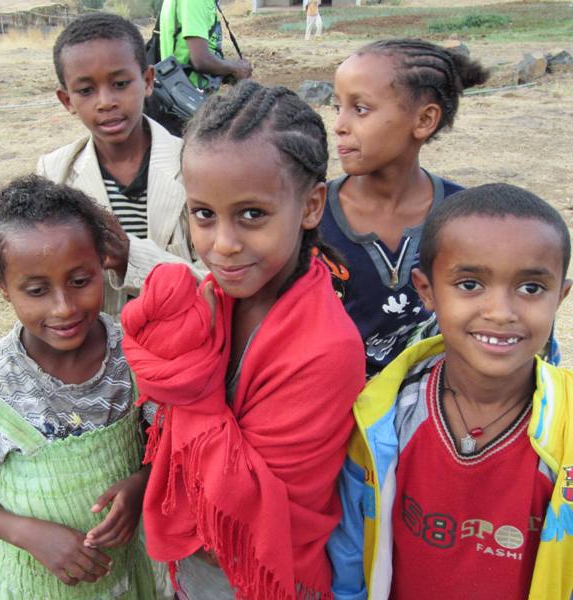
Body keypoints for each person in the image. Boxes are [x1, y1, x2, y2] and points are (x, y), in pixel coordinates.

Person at [121, 81, 366, 599]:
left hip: (261, 573)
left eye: (252, 214)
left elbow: (243, 510)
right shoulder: (211, 300)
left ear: (311, 206)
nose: (223, 245)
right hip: (194, 566)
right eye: (203, 214)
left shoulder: (324, 350)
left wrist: (189, 389)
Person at [328, 183, 573, 600]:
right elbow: (350, 553)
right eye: (470, 284)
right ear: (426, 291)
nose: (500, 312)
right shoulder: (382, 419)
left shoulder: (564, 434)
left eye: (531, 288)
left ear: (560, 296)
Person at [0, 176, 156, 599]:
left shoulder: (136, 355)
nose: (64, 307)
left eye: (80, 281)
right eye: (36, 290)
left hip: (132, 573)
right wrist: (30, 534)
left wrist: (142, 483)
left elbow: (160, 445)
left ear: (102, 263)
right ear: (2, 286)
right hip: (34, 585)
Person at [320, 38, 489, 378]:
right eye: (337, 107)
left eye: (360, 109)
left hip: (435, 405)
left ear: (424, 120)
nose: (339, 124)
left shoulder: (467, 217)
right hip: (338, 408)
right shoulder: (311, 215)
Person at [37, 12, 203, 322]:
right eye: (86, 90)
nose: (106, 101)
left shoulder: (196, 166)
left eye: (120, 83)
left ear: (148, 81)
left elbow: (216, 283)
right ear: (66, 100)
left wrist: (131, 258)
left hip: (185, 346)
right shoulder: (54, 174)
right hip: (99, 355)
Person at [158, 0, 252, 90]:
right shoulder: (196, 2)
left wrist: (227, 71)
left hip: (184, 89)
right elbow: (201, 60)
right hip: (189, 94)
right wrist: (235, 68)